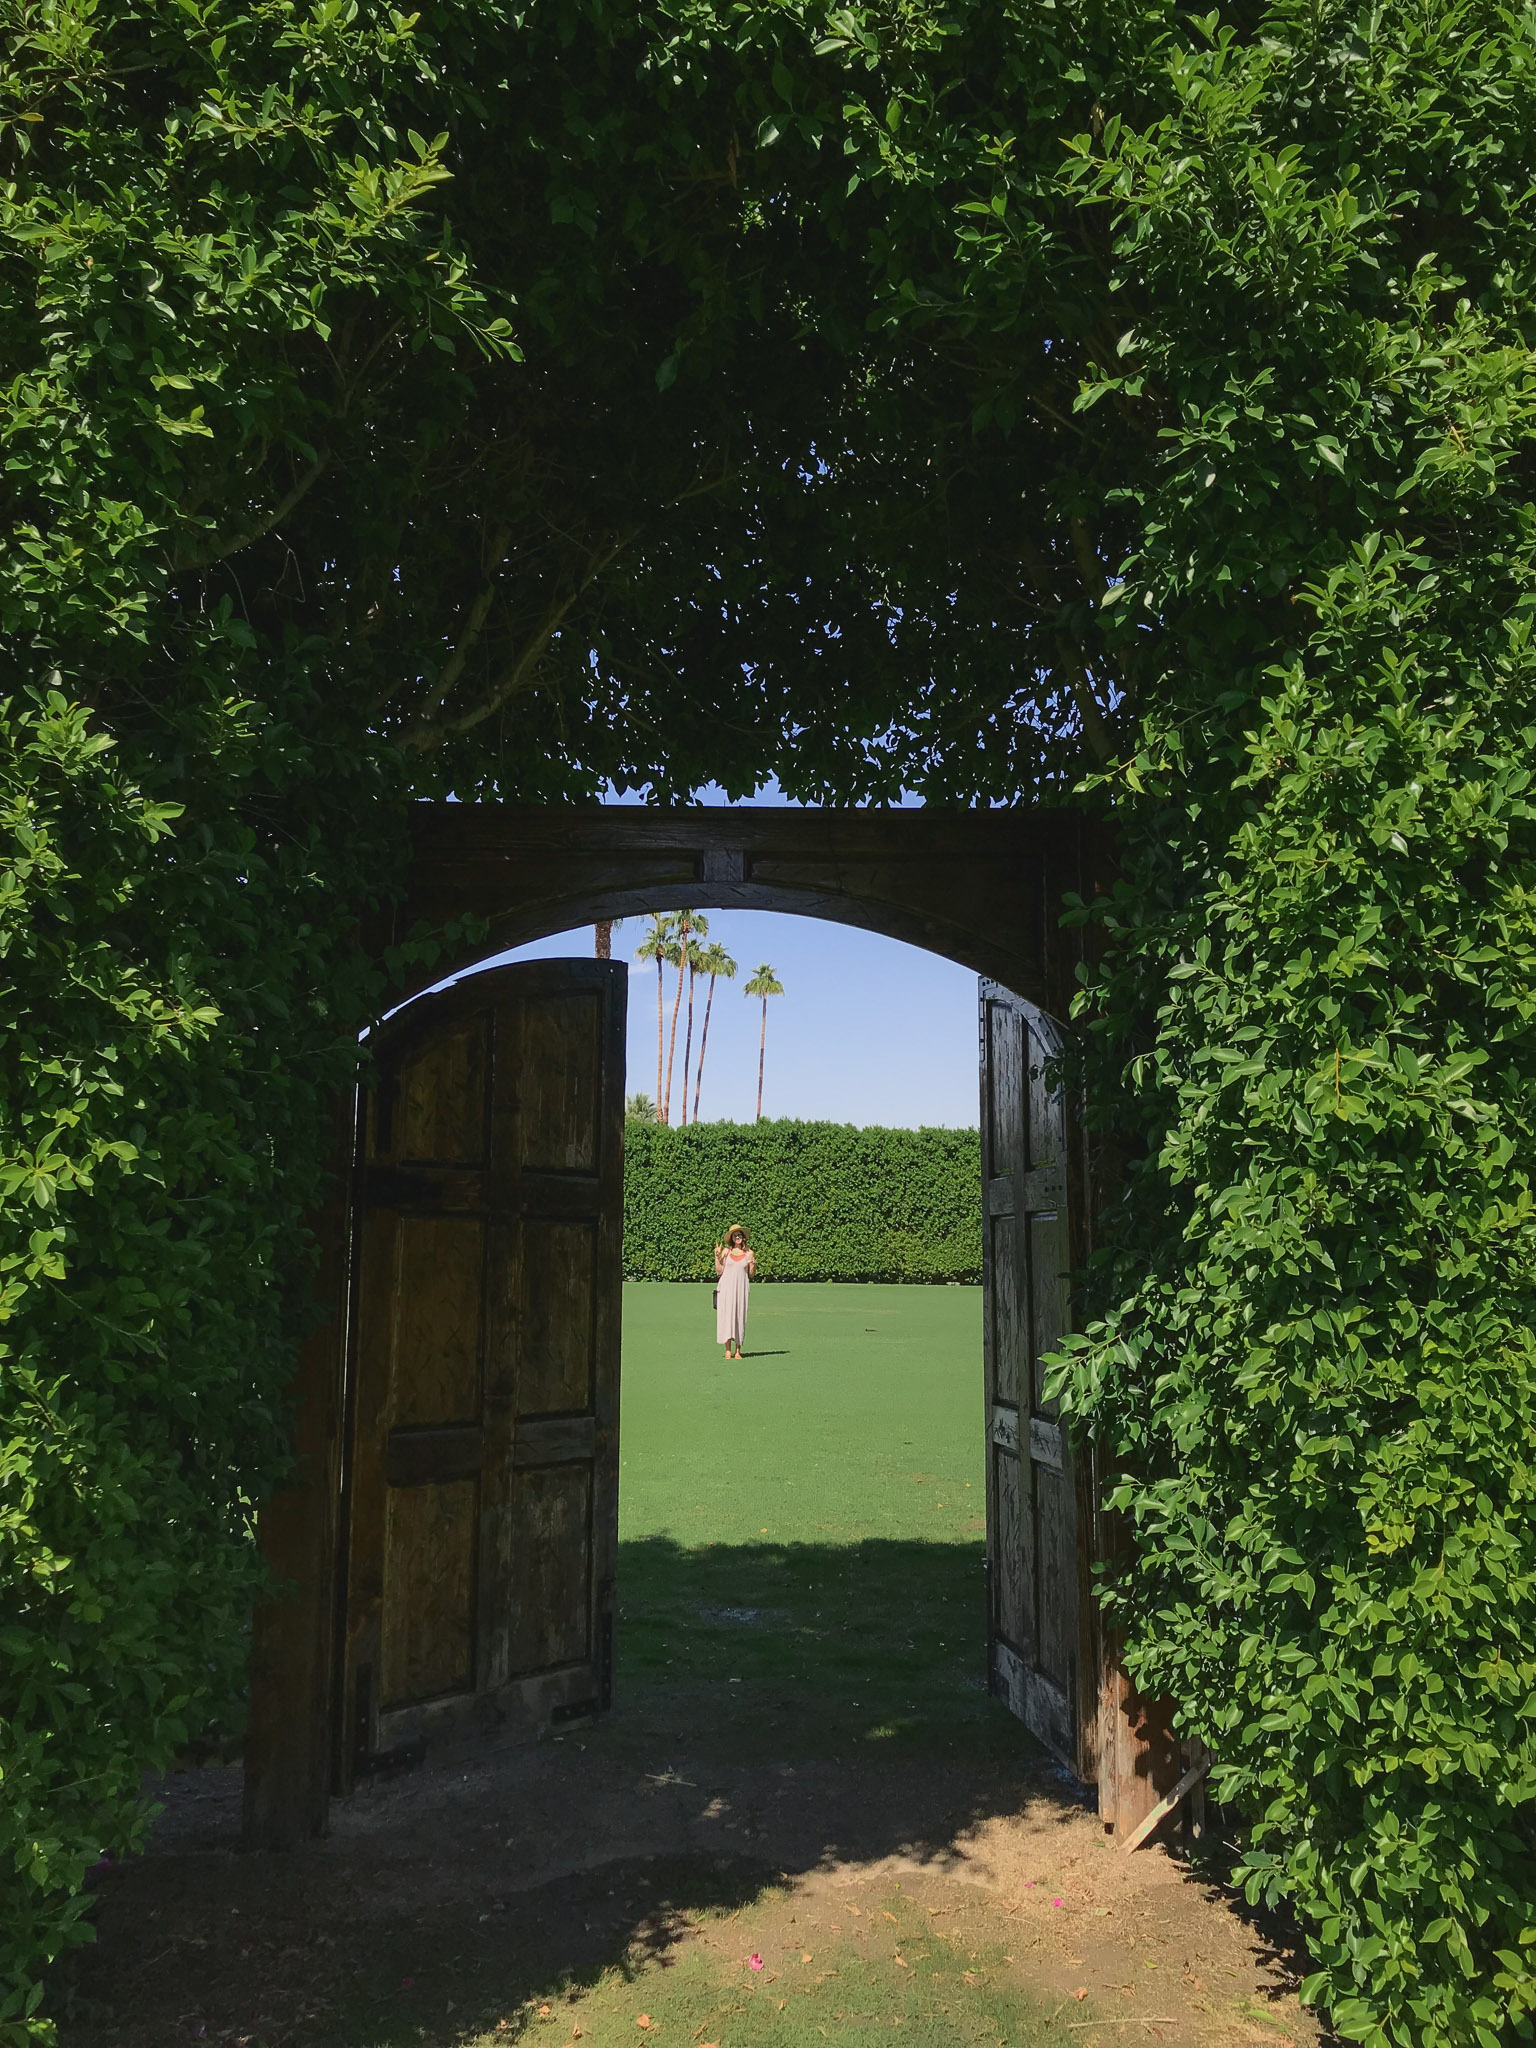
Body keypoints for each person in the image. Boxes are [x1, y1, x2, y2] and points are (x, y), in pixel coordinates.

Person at [713, 1224, 754, 1360]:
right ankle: (727, 1350)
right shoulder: (725, 1251)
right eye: (735, 1235)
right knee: (726, 1316)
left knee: (739, 1316)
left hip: (741, 1288)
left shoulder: (748, 1253)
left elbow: (751, 1274)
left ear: (743, 1238)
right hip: (726, 1288)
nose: (738, 1237)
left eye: (740, 1235)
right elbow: (719, 1271)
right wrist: (717, 1256)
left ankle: (738, 1350)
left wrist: (753, 1263)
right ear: (731, 1238)